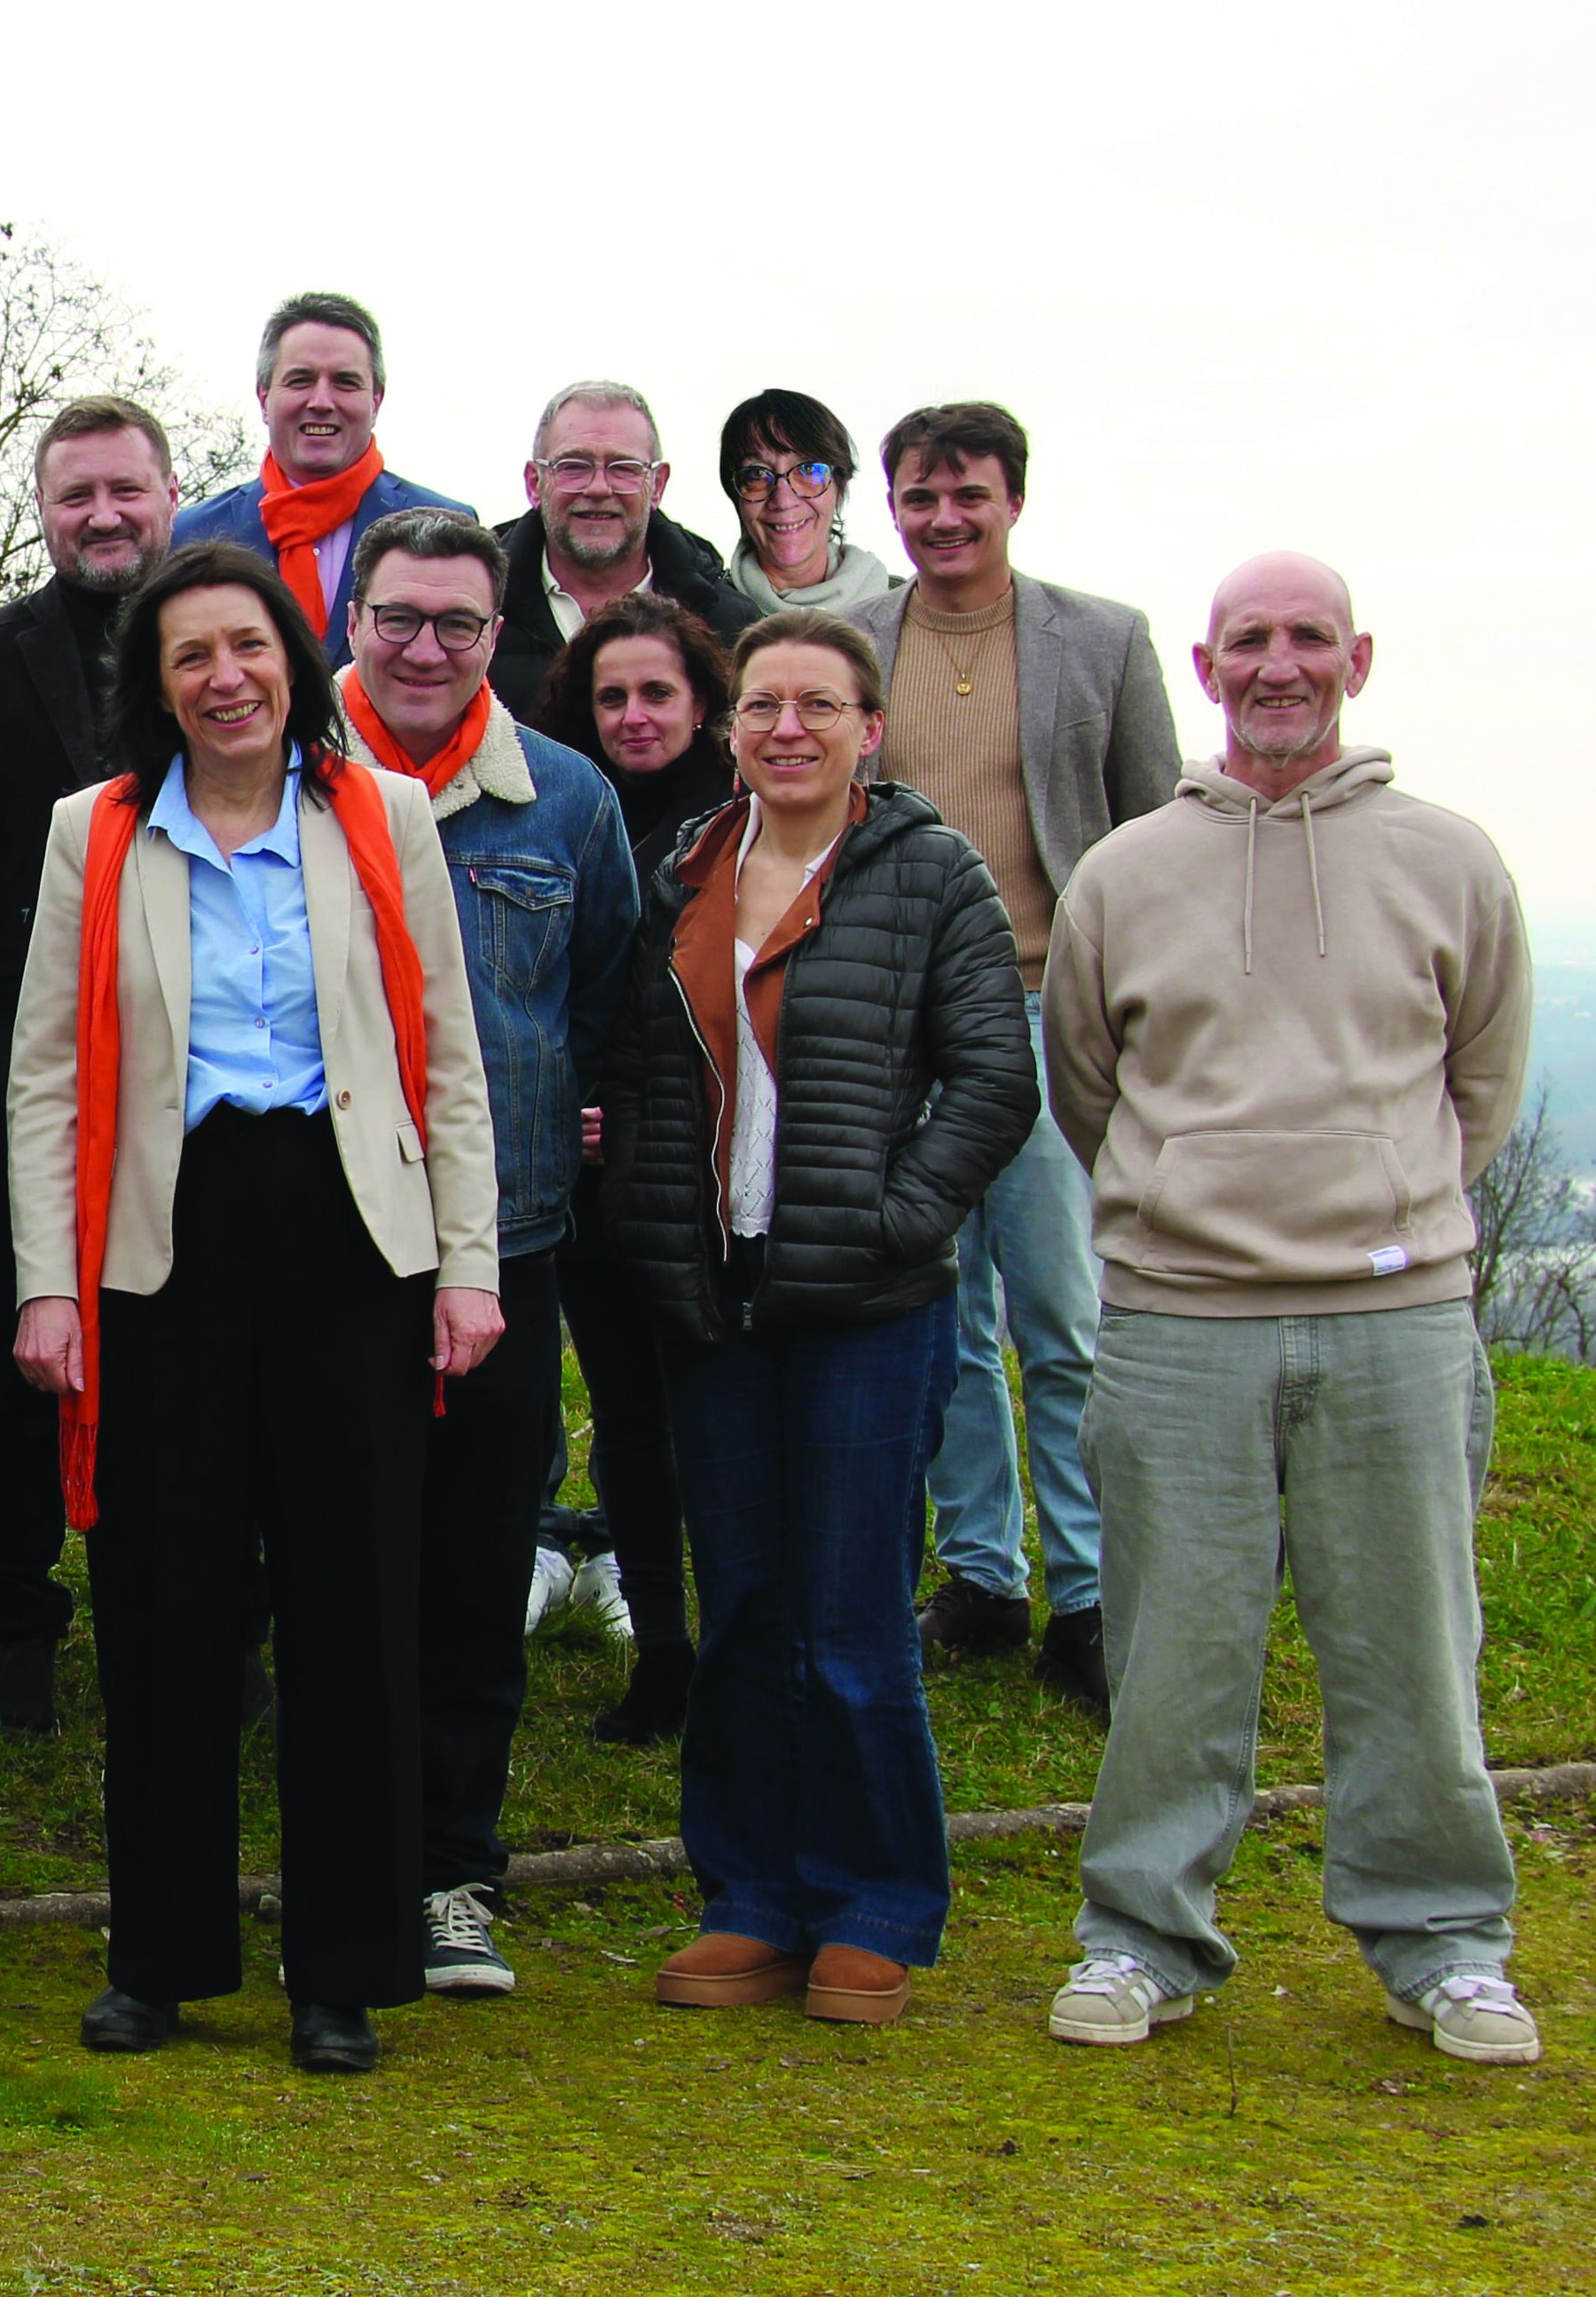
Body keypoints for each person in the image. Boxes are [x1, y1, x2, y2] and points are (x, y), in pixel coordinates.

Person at [3, 542, 504, 2074]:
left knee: (354, 1607)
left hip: (353, 1238)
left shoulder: (385, 815)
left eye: (247, 646)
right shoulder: (92, 832)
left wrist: (468, 1260)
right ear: (153, 687)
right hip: (165, 1249)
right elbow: (41, 1075)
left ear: (292, 656)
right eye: (188, 656)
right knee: (169, 1611)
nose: (224, 677)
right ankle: (157, 1954)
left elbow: (446, 1052)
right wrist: (43, 1283)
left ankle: (340, 1965)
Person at [1041, 555, 1543, 2067]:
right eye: (1248, 640)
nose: (1278, 665)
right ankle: (1141, 1934)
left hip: (1391, 1319)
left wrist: (1384, 1213)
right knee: (1172, 1652)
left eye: (1306, 638)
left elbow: (1479, 1082)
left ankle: (1441, 1942)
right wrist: (1184, 1204)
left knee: (1409, 1646)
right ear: (1202, 667)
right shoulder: (1125, 871)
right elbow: (1086, 1083)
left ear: (1356, 657)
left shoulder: (1449, 858)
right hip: (1176, 1318)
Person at [592, 608, 1035, 2030]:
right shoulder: (678, 871)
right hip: (711, 1297)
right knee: (743, 1614)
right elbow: (639, 1079)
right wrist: (650, 1223)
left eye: (816, 706)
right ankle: (750, 1898)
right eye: (763, 705)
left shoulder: (930, 877)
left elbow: (988, 1083)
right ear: (732, 729)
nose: (787, 728)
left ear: (867, 729)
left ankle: (877, 1902)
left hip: (863, 1303)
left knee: (850, 1620)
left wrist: (895, 1222)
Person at [330, 510, 638, 1998]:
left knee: (468, 1576)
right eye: (398, 617)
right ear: (350, 616)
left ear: (494, 632)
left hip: (498, 1248)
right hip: (313, 1247)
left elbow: (601, 1003)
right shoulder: (278, 777)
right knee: (325, 1569)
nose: (426, 649)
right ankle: (335, 1862)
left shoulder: (564, 802)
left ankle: (452, 1868)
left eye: (457, 623)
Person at [842, 403, 1183, 1712]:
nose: (940, 520)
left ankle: (1091, 1595)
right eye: (917, 498)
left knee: (1060, 1313)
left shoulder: (1098, 640)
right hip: (897, 1021)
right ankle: (978, 1575)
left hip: (1050, 1010)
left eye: (964, 496)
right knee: (941, 1313)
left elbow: (1156, 834)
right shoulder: (856, 641)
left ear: (1011, 501)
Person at [0, 396, 178, 1733]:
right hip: (38, 1067)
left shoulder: (232, 644)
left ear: (169, 494)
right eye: (76, 497)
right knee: (24, 1340)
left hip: (213, 1069)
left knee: (193, 1350)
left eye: (125, 490)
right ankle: (13, 1613)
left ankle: (205, 1610)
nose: (103, 516)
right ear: (43, 512)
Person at [532, 592, 745, 1742]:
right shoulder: (559, 811)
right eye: (608, 694)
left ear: (700, 700)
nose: (631, 714)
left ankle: (742, 1645)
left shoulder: (744, 824)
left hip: (705, 1171)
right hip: (588, 1176)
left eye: (655, 690)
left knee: (714, 1414)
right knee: (624, 1417)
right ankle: (659, 1649)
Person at [173, 293, 471, 662]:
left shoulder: (445, 526)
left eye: (345, 382)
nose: (321, 401)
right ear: (264, 399)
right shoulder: (189, 537)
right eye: (300, 380)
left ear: (375, 402)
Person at [484, 382, 757, 722]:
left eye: (624, 468)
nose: (598, 488)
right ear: (535, 483)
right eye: (573, 466)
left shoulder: (729, 627)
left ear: (657, 485)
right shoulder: (473, 616)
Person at [716, 389, 899, 614]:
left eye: (808, 470)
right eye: (757, 474)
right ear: (736, 495)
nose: (783, 500)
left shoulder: (902, 606)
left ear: (840, 487)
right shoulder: (706, 617)